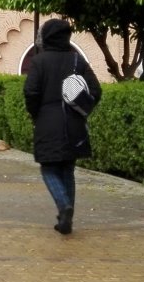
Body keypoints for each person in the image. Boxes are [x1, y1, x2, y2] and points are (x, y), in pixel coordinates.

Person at [22, 17, 101, 235]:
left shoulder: (39, 62)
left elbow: (31, 92)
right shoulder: (77, 61)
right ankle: (67, 219)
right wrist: (83, 109)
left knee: (48, 168)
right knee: (68, 169)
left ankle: (63, 205)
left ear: (46, 37)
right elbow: (95, 91)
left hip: (47, 121)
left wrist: (36, 113)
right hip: (73, 123)